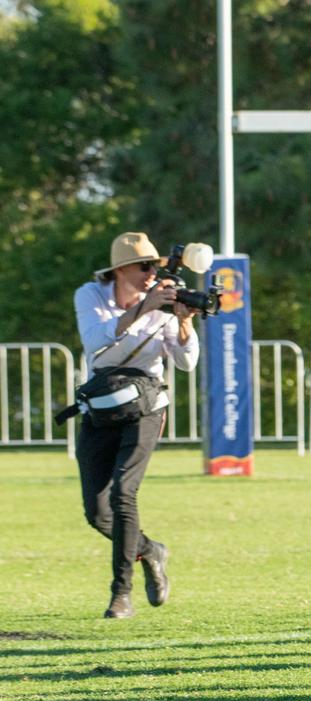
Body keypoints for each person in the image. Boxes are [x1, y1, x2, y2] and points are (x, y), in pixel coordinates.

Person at [73, 232, 199, 618]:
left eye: (155, 266)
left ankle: (120, 593)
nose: (152, 273)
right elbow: (96, 342)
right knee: (97, 512)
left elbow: (185, 362)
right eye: (145, 266)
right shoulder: (90, 295)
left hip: (146, 405)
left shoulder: (166, 296)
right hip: (102, 405)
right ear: (121, 269)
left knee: (123, 494)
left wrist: (183, 324)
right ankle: (151, 550)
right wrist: (144, 308)